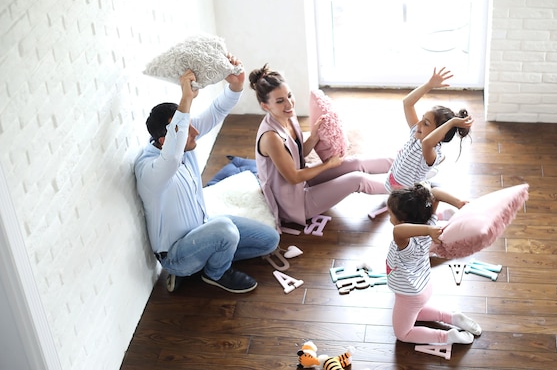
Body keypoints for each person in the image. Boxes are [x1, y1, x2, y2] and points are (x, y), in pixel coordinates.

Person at [135, 55, 279, 294]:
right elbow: (171, 158)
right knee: (224, 229)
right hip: (176, 255)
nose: (194, 131)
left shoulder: (184, 142)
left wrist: (235, 85)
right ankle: (215, 273)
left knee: (269, 240)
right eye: (184, 130)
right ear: (164, 141)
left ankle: (203, 265)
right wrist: (185, 98)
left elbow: (216, 111)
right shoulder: (150, 171)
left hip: (203, 230)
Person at [249, 63, 393, 229]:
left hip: (303, 181)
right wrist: (327, 165)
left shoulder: (287, 116)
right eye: (280, 101)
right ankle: (404, 188)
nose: (289, 104)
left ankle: (411, 163)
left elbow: (297, 155)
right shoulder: (271, 138)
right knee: (357, 179)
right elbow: (293, 177)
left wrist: (313, 137)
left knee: (356, 162)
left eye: (289, 96)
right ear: (265, 106)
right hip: (293, 203)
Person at [385, 182, 482, 346]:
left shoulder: (408, 245)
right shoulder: (430, 223)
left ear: (402, 221)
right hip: (422, 287)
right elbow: (435, 193)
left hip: (410, 294)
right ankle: (452, 317)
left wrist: (427, 231)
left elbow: (397, 231)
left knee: (403, 333)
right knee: (417, 312)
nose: (389, 219)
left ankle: (446, 337)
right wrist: (458, 203)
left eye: (391, 215)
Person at [385, 67, 473, 192]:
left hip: (405, 200)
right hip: (391, 184)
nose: (419, 123)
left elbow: (427, 143)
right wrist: (429, 85)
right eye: (422, 119)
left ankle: (429, 183)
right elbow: (407, 103)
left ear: (439, 134)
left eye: (426, 123)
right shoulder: (416, 134)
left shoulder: (430, 151)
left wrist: (452, 123)